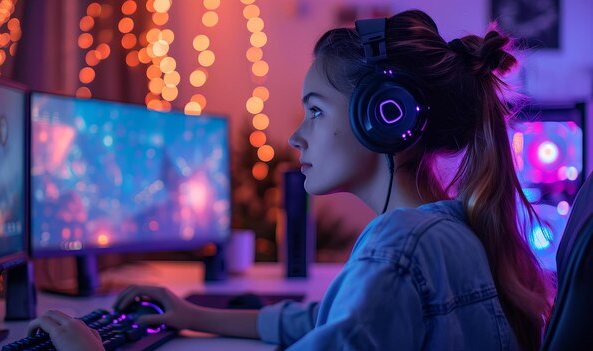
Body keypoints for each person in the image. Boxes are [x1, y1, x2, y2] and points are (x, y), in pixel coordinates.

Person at [27, 9, 553, 351]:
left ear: (385, 116)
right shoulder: (449, 229)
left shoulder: (400, 246)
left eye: (316, 111)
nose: (297, 136)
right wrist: (189, 313)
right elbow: (328, 322)